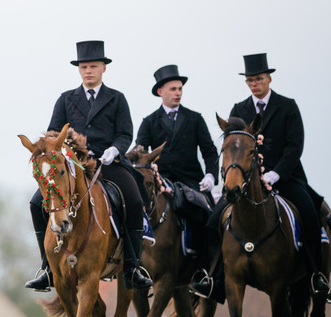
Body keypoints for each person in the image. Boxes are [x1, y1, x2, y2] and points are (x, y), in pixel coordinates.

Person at [192, 53, 329, 298]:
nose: (254, 84)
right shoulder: (239, 109)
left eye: (258, 79)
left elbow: (295, 146)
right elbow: (232, 148)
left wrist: (276, 174)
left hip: (285, 178)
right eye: (250, 81)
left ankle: (315, 276)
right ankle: (214, 279)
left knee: (310, 213)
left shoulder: (287, 106)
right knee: (213, 220)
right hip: (246, 183)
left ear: (269, 79)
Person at [26, 40, 152, 292]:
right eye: (84, 67)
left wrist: (114, 149)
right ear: (79, 69)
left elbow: (126, 132)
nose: (88, 71)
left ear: (103, 68)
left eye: (93, 66)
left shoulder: (117, 98)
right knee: (35, 202)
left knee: (135, 200)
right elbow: (53, 133)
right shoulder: (65, 99)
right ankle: (47, 268)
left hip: (109, 163)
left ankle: (132, 266)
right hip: (73, 166)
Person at [136, 65, 217, 276]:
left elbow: (209, 151)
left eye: (180, 88)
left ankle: (203, 270)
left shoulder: (195, 118)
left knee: (206, 215)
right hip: (161, 180)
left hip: (192, 181)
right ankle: (134, 264)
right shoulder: (149, 122)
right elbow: (140, 152)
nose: (178, 93)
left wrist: (211, 175)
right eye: (173, 89)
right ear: (160, 92)